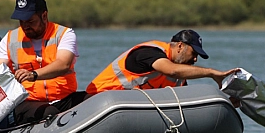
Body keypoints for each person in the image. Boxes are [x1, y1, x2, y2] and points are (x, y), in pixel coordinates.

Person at [0, 0, 84, 124]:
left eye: (30, 21)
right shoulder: (9, 39)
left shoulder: (64, 34)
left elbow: (63, 64)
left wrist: (33, 75)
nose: (25, 26)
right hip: (29, 103)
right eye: (21, 21)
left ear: (44, 16)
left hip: (64, 98)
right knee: (49, 113)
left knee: (97, 99)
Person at [86, 29, 239, 95]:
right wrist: (211, 73)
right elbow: (170, 70)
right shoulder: (149, 52)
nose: (195, 59)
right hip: (98, 101)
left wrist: (226, 100)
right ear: (180, 46)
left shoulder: (180, 76)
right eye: (193, 53)